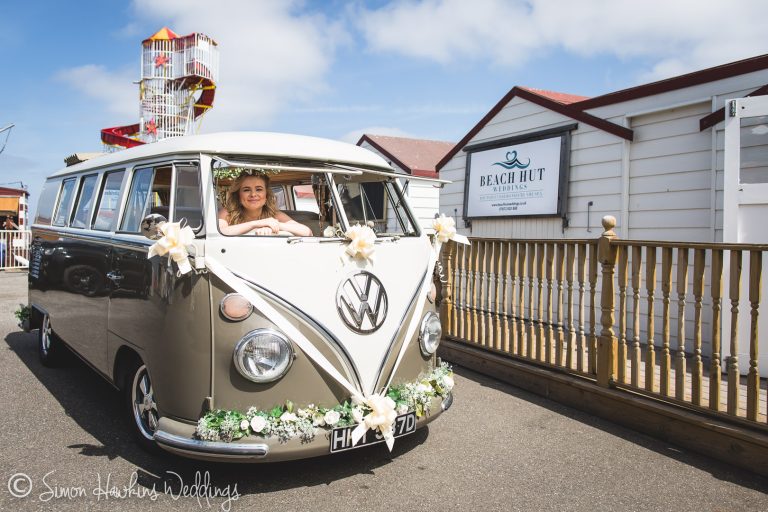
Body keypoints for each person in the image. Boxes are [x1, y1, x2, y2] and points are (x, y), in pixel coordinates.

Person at [218, 173, 312, 236]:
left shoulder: (274, 215)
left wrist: (274, 225)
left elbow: (307, 232)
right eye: (246, 190)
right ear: (238, 195)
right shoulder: (228, 213)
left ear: (266, 195)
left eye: (259, 189)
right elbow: (219, 232)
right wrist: (258, 224)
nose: (253, 194)